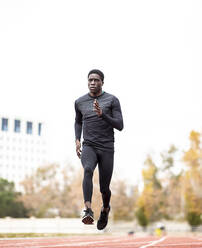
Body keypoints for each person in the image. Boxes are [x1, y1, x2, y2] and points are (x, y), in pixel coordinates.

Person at [74, 69, 124, 230]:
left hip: (107, 147)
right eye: (90, 80)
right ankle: (88, 210)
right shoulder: (79, 102)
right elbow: (78, 121)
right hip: (89, 145)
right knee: (87, 170)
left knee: (104, 188)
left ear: (102, 82)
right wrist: (77, 139)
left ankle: (105, 208)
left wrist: (103, 115)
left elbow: (120, 125)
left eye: (96, 80)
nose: (92, 83)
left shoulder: (112, 100)